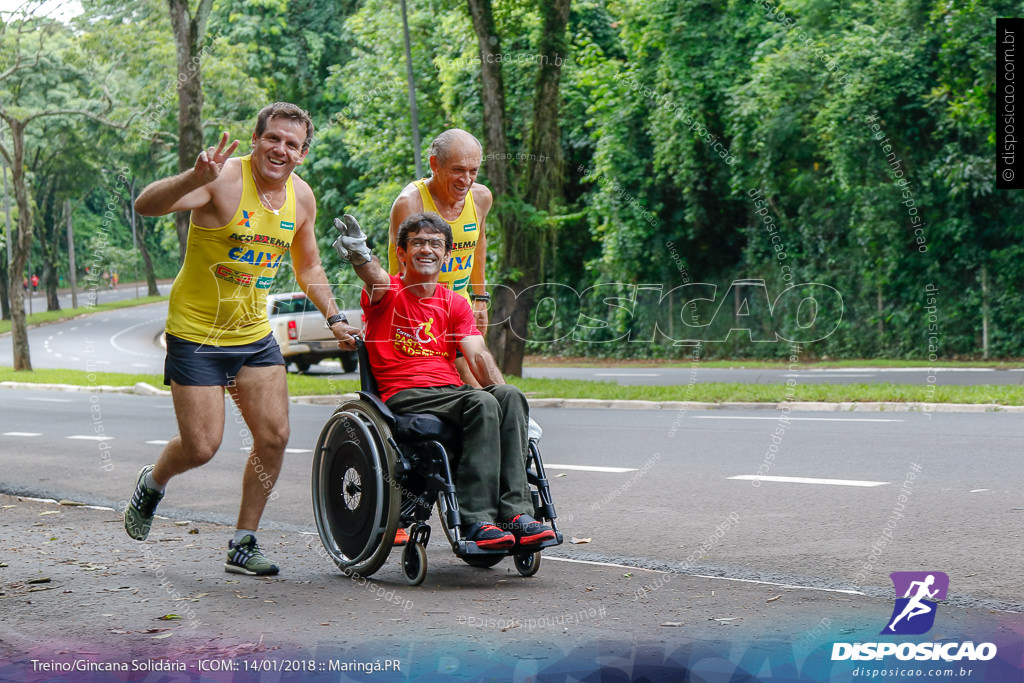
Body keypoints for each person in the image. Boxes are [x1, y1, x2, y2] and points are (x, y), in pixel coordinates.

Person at [123, 102, 359, 576]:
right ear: (256, 140)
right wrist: (193, 178)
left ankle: (243, 543)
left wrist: (333, 317)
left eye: (292, 144)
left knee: (274, 436)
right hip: (196, 333)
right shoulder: (224, 179)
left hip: (252, 335)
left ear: (303, 154)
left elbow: (308, 265)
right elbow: (145, 205)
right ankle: (153, 481)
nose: (280, 149)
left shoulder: (302, 198)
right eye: (273, 138)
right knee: (201, 447)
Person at [334, 212, 554, 549]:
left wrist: (516, 413)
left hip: (449, 393)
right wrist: (359, 254)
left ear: (446, 254)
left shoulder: (454, 303)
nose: (427, 250)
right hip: (404, 393)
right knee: (479, 401)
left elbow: (478, 355)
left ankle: (516, 515)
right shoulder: (388, 291)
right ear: (402, 253)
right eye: (418, 243)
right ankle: (477, 520)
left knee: (508, 396)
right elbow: (372, 274)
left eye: (435, 244)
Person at [389, 129, 493, 388]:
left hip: (461, 311)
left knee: (489, 385)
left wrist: (480, 298)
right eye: (458, 170)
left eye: (473, 171)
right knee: (479, 394)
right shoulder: (410, 203)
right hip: (418, 315)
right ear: (435, 164)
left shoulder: (481, 198)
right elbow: (404, 271)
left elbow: (478, 245)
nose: (466, 180)